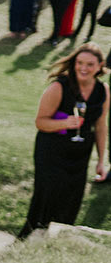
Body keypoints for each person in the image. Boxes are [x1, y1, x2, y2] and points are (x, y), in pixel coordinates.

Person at [19, 44, 109, 237]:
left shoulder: (103, 91)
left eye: (90, 64)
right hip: (52, 151)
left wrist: (102, 160)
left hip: (80, 153)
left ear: (100, 65)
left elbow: (100, 126)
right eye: (80, 63)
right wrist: (65, 123)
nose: (83, 68)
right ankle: (28, 238)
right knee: (47, 196)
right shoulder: (58, 87)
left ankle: (56, 242)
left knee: (72, 198)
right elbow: (40, 122)